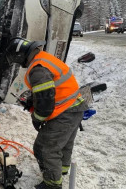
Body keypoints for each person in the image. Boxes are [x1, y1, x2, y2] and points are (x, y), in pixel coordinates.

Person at [6, 38, 88, 189]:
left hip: (65, 112)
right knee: (63, 144)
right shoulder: (44, 58)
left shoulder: (37, 70)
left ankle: (52, 184)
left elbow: (45, 104)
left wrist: (37, 118)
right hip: (75, 106)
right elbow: (50, 89)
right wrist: (33, 99)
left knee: (45, 148)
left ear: (20, 56)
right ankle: (60, 171)